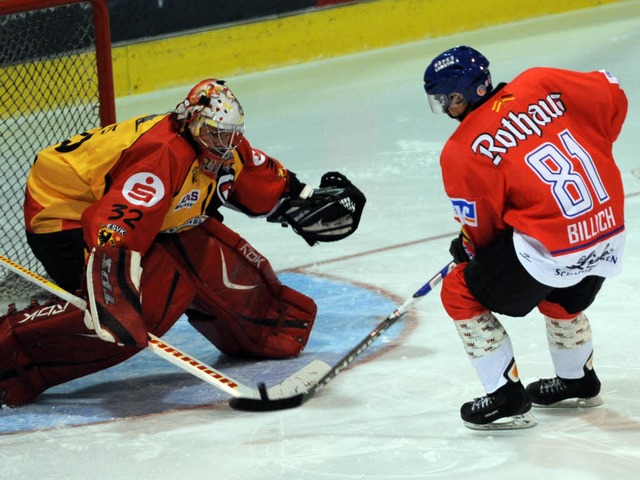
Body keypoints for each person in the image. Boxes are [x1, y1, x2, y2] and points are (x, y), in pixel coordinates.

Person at [0, 78, 365, 406]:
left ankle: (263, 328)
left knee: (203, 243)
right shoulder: (164, 153)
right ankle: (11, 353)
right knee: (147, 302)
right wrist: (112, 285)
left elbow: (255, 175)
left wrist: (302, 196)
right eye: (214, 135)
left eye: (229, 135)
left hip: (116, 210)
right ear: (190, 121)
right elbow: (115, 221)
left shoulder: (223, 143)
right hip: (63, 214)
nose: (222, 145)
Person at [422, 46, 627, 430]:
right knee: (559, 286)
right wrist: (599, 149)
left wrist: (469, 252)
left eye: (444, 99)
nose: (443, 107)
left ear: (461, 94)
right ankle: (576, 379)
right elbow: (611, 92)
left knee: (459, 290)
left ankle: (504, 396)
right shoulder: (540, 81)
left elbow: (484, 229)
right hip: (606, 233)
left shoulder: (462, 149)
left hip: (555, 250)